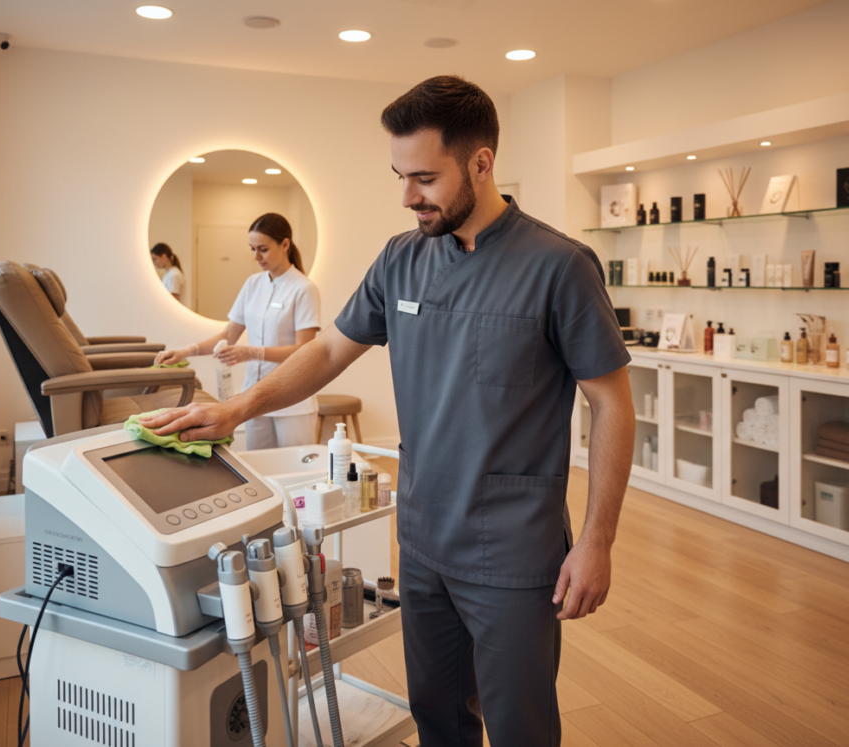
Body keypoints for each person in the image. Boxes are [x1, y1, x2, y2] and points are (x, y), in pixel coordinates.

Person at [142, 76, 634, 746]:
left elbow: (611, 402)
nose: (408, 196)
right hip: (424, 539)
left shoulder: (559, 267)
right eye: (400, 176)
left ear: (482, 163)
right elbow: (328, 353)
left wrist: (600, 539)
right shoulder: (401, 260)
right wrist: (238, 407)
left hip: (514, 547)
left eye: (425, 177)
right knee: (435, 716)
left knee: (521, 728)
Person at [153, 214, 321, 450]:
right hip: (254, 396)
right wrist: (186, 351)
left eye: (263, 249)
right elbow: (228, 335)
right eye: (252, 249)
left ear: (285, 244)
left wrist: (253, 352)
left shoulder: (304, 289)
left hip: (292, 398)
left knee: (294, 470)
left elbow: (304, 349)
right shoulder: (252, 284)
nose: (256, 256)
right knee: (259, 468)